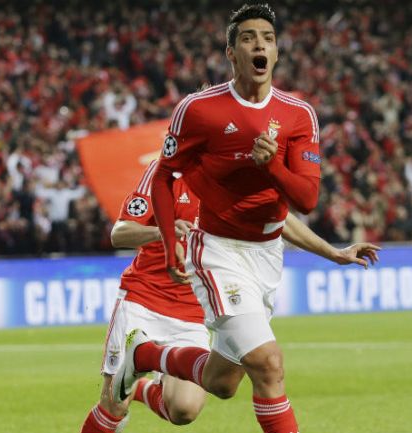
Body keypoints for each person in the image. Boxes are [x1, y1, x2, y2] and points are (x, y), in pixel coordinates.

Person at [113, 4, 324, 433]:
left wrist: (273, 168)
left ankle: (145, 357)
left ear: (277, 51)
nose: (259, 45)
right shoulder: (197, 111)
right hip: (218, 253)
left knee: (221, 385)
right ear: (231, 52)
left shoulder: (298, 115)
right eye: (248, 38)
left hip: (265, 258)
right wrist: (170, 244)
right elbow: (162, 179)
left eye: (267, 37)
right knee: (269, 365)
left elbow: (305, 200)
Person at [80, 161, 379, 433]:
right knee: (113, 406)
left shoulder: (236, 177)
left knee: (184, 410)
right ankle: (129, 380)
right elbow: (120, 233)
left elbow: (280, 220)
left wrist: (334, 252)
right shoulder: (167, 174)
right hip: (144, 299)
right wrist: (163, 232)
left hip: (194, 313)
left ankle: (140, 378)